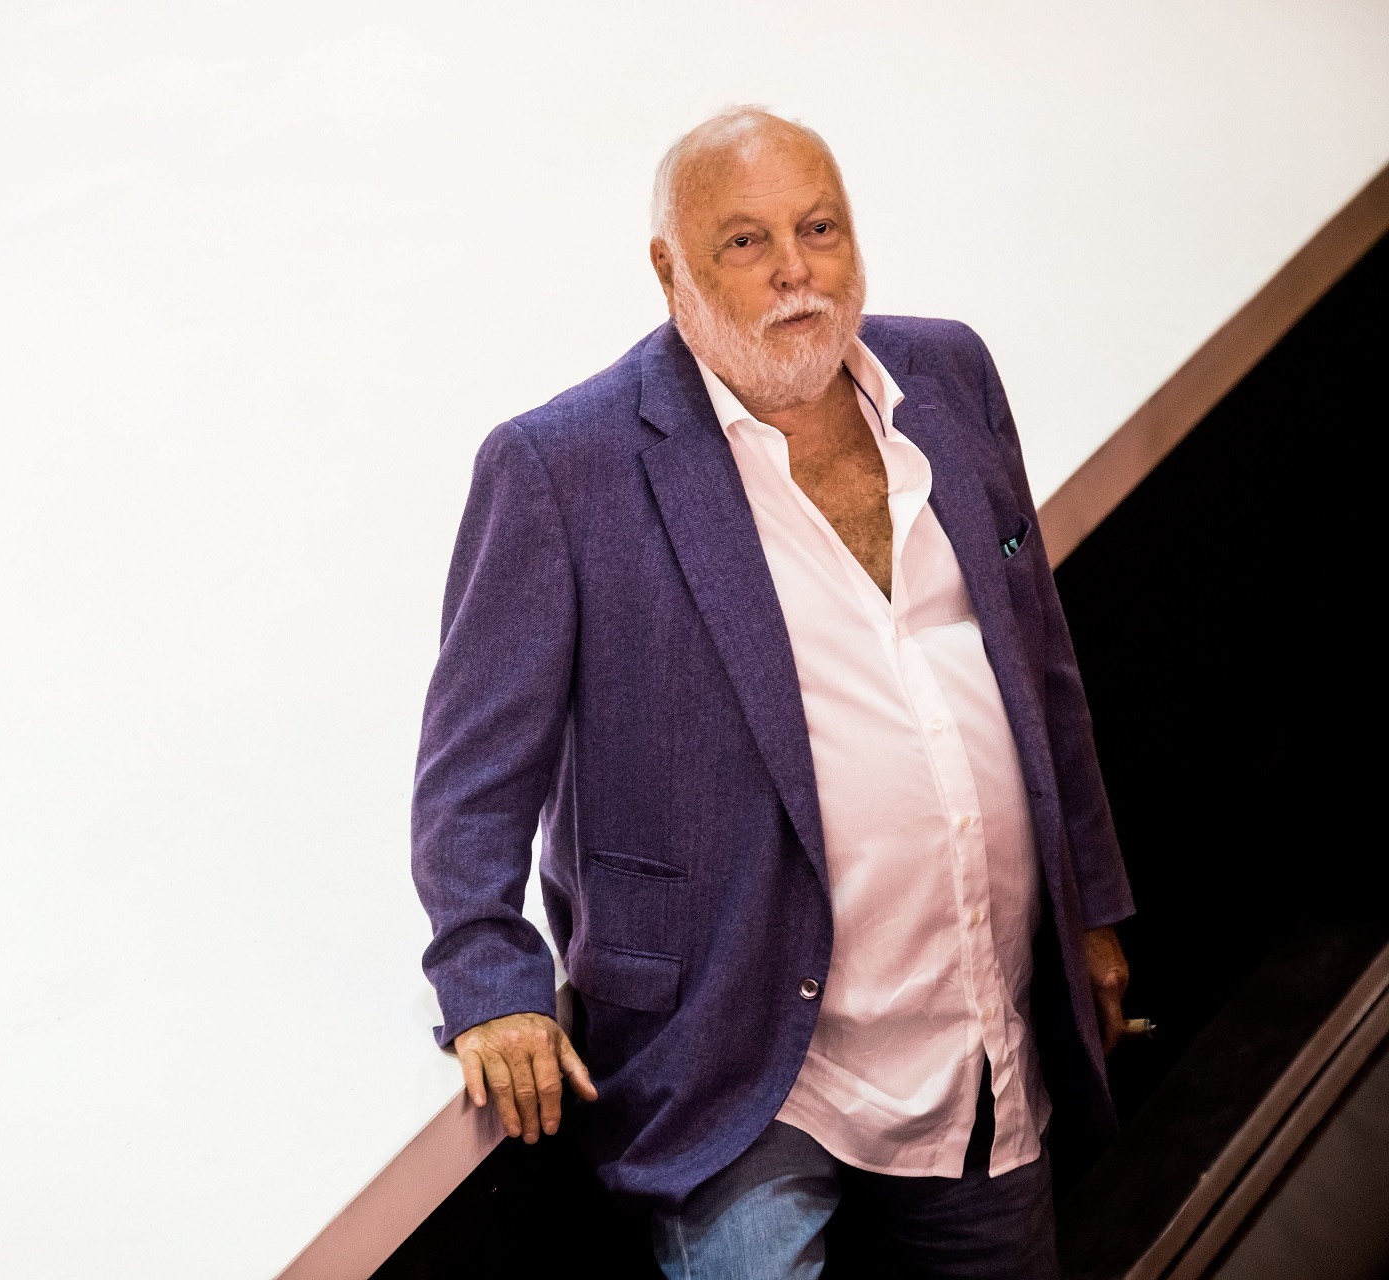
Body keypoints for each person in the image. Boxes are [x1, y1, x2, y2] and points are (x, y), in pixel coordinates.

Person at [409, 105, 1136, 1279]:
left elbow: (1041, 667)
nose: (796, 269)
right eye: (746, 242)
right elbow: (473, 770)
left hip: (976, 1036)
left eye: (819, 228)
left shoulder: (948, 374)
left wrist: (1087, 907)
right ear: (671, 271)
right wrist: (488, 979)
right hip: (735, 1056)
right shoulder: (562, 466)